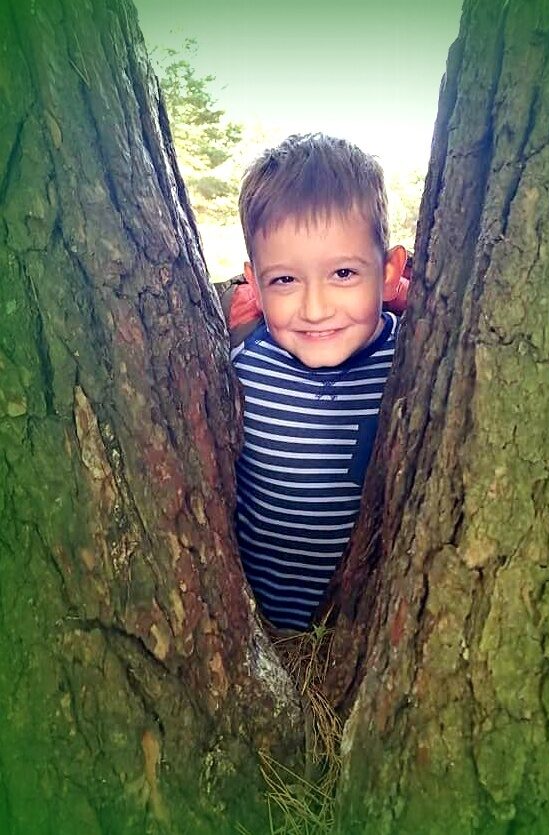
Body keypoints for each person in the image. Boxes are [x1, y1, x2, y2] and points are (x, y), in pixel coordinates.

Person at [229, 133, 407, 631]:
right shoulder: (242, 371)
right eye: (285, 280)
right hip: (262, 635)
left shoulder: (411, 365)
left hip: (366, 638)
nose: (314, 308)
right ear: (255, 284)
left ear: (389, 272)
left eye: (343, 273)